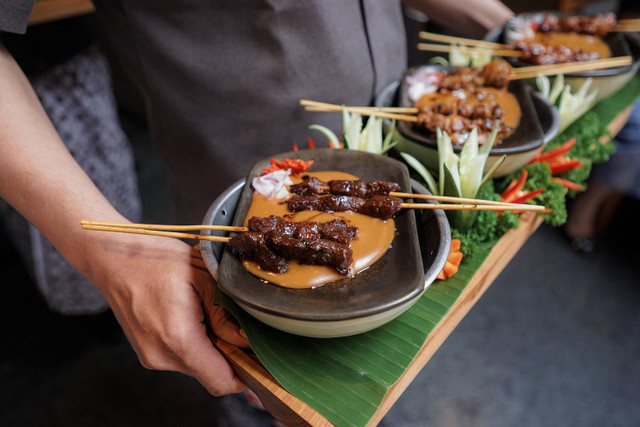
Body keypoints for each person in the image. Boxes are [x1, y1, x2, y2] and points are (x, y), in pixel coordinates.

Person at [0, 0, 513, 401]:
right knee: (263, 399)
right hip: (229, 196)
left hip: (391, 144)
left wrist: (503, 25)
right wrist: (108, 253)